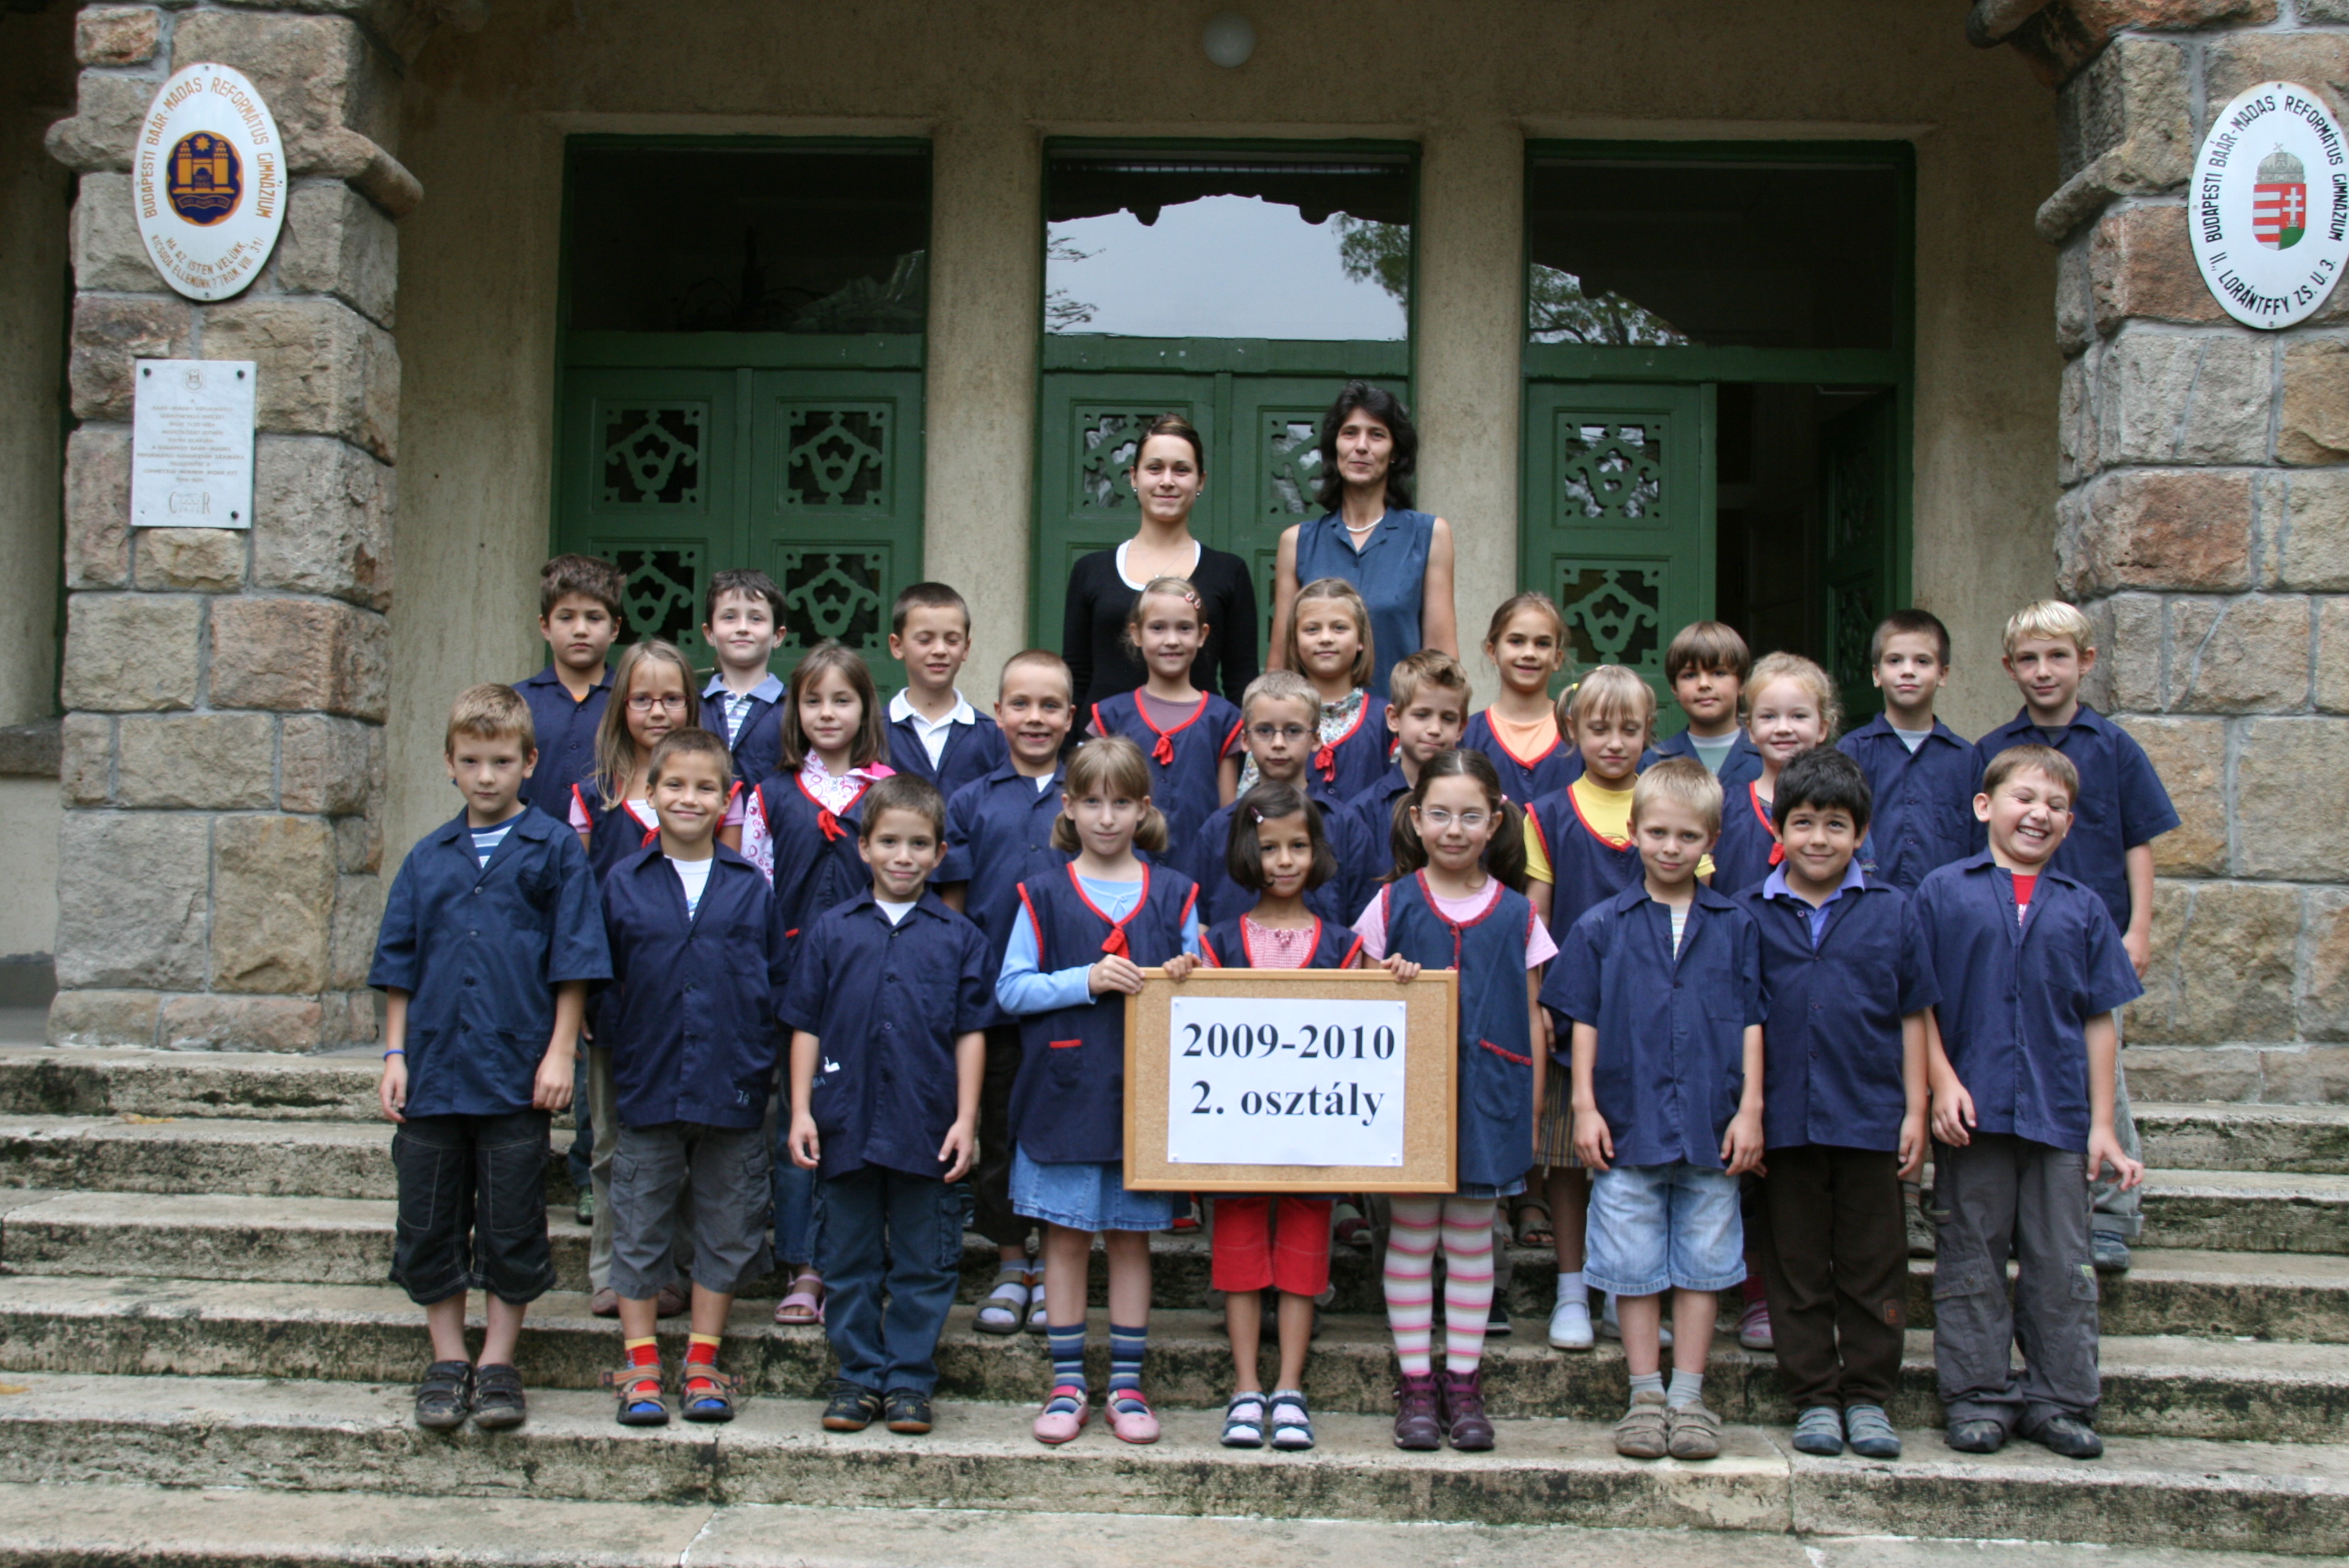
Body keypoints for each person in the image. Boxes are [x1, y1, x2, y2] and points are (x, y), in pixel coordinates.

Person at [371, 684, 608, 1431]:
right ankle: (448, 1358)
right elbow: (400, 964)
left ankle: (499, 1360)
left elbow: (574, 960)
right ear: (449, 763)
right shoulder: (426, 858)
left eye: (501, 761)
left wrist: (560, 1053)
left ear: (529, 762)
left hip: (513, 1073)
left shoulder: (555, 851)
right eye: (471, 761)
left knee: (511, 1222)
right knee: (429, 1218)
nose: (485, 776)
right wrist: (395, 1054)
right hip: (435, 1070)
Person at [1920, 744, 2145, 1460]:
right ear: (1985, 806)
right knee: (1971, 1255)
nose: (2038, 814)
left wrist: (2103, 1126)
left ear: (2070, 823)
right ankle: (1977, 1395)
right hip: (1974, 1113)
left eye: (2055, 806)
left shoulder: (2083, 908)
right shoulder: (1943, 892)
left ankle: (2061, 1399)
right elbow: (1918, 1001)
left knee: (2061, 1262)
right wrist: (1941, 1082)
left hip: (2058, 1116)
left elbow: (2099, 1018)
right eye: (2024, 798)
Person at [1547, 758, 1764, 1463]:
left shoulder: (1736, 925)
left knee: (1703, 1264)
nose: (1672, 848)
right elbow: (1582, 1021)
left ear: (1712, 842)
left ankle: (1688, 1397)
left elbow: (1752, 1021)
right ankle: (1644, 1395)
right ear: (1633, 832)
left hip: (1710, 1123)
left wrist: (1751, 1110)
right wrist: (1584, 1107)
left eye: (1688, 836)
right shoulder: (1600, 926)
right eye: (1659, 833)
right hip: (1628, 1121)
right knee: (1633, 1265)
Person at [996, 735, 1202, 1446]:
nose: (1106, 817)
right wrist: (1084, 980)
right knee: (1065, 1238)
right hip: (1063, 1092)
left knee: (1131, 1240)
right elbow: (1011, 988)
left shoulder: (1176, 893)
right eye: (1092, 802)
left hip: (1143, 1097)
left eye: (1120, 803)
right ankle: (1065, 1384)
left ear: (1143, 809)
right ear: (1068, 808)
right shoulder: (1042, 893)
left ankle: (1127, 1386)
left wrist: (1187, 972)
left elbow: (1204, 988)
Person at [1734, 747, 1934, 1462]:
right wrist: (1749, 1112)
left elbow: (1914, 1013)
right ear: (1778, 828)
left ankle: (1870, 1396)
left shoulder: (1893, 910)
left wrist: (1916, 1112)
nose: (1818, 839)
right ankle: (1815, 1396)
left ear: (1861, 833)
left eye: (1836, 825)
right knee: (1794, 1264)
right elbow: (1743, 1019)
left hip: (1870, 1115)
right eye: (1804, 822)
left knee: (1873, 1262)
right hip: (1785, 1120)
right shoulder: (1748, 914)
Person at [1969, 601, 2175, 1274]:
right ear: (2009, 668)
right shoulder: (1992, 751)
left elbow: (2138, 842)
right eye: (2028, 659)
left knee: (2101, 1071)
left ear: (2085, 661)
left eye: (2057, 656)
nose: (2043, 670)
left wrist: (2137, 929)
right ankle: (2019, 1212)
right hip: (2012, 938)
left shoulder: (2113, 747)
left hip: (2092, 939)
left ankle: (2111, 1214)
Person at [1351, 750, 1549, 1452]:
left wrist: (1530, 1110)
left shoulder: (1520, 913)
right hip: (1408, 1100)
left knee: (1471, 1238)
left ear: (1495, 822)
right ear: (1416, 819)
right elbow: (1358, 1010)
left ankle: (1463, 1383)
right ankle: (1416, 1384)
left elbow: (1533, 1016)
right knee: (1410, 1236)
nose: (1455, 829)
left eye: (1471, 816)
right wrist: (1388, 978)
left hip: (1490, 1096)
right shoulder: (1390, 904)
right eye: (1440, 814)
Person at [784, 774, 992, 1437]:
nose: (904, 857)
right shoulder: (831, 930)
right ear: (864, 847)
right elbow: (805, 1024)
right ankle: (856, 1376)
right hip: (843, 1120)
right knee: (846, 1258)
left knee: (924, 1260)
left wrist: (966, 1119)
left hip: (925, 1124)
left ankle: (908, 1380)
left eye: (919, 844)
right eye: (890, 842)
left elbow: (970, 1032)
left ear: (939, 853)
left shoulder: (959, 937)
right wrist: (800, 1110)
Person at [596, 727, 791, 1427]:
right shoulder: (622, 882)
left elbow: (772, 980)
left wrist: (758, 1059)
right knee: (640, 1220)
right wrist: (622, 1046)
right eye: (674, 784)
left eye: (706, 787)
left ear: (727, 798)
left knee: (728, 1223)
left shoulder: (748, 887)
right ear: (649, 794)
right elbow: (603, 981)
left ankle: (703, 1362)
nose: (689, 798)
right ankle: (641, 1366)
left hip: (731, 1081)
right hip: (648, 1078)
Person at [1519, 665, 1708, 1350]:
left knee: (1638, 1159)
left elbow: (1699, 916)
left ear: (1650, 732)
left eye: (1630, 729)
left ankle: (1626, 1290)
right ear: (1572, 730)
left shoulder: (1672, 805)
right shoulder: (1547, 813)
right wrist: (1538, 1000)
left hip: (1658, 1017)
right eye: (1599, 728)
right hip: (1576, 1014)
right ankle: (1573, 1289)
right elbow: (1537, 922)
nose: (1614, 742)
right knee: (1572, 1160)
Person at [1196, 780, 1377, 1453]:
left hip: (1314, 1138)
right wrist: (1180, 977)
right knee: (1240, 1258)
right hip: (1237, 1139)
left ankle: (1291, 1387)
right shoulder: (1216, 944)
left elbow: (1370, 1034)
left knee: (1304, 1259)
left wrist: (1396, 979)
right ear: (1247, 853)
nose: (1284, 861)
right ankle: (1246, 1387)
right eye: (1270, 848)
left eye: (1298, 846)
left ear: (1317, 852)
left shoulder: (1345, 946)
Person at [731, 639, 897, 1329]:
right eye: (813, 701)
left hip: (875, 980)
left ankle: (858, 1260)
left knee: (867, 1116)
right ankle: (802, 1262)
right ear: (794, 710)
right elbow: (754, 891)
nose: (828, 713)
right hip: (794, 980)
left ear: (865, 708)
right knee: (796, 1123)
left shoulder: (888, 792)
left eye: (842, 700)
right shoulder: (769, 794)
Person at [939, 650, 1080, 1336]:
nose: (1035, 718)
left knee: (1058, 1134)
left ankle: (1056, 1265)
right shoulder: (970, 801)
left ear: (1071, 717)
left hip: (1071, 1001)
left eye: (1050, 705)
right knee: (997, 1133)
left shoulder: (1087, 798)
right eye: (1020, 704)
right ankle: (1010, 1260)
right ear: (997, 713)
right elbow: (954, 908)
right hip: (993, 1005)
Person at [571, 637, 699, 1319]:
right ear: (620, 704)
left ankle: (673, 1268)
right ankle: (613, 1269)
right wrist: (582, 994)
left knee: (683, 1139)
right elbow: (576, 905)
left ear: (691, 706)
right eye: (642, 698)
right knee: (613, 1139)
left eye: (671, 698)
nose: (657, 711)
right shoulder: (593, 796)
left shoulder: (711, 791)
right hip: (617, 995)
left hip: (691, 998)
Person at [1270, 381, 1458, 696]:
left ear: (1395, 452)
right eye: (1350, 433)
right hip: (1315, 723)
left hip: (1399, 720)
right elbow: (1281, 665)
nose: (1361, 446)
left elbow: (1441, 660)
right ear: (1334, 447)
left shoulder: (1429, 536)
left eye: (1377, 435)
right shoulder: (1297, 542)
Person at [1062, 414, 1260, 711]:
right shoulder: (1091, 571)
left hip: (1199, 736)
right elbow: (1075, 677)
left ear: (1200, 480)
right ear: (1134, 476)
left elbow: (1240, 679)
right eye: (1155, 468)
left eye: (1181, 470)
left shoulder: (1229, 572)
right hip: (1103, 737)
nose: (1167, 481)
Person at [1086, 576, 1243, 857]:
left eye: (1184, 628)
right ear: (1137, 634)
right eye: (1158, 628)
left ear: (1202, 634)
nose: (1172, 640)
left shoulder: (1222, 719)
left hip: (1200, 868)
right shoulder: (1111, 717)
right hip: (1124, 869)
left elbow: (1227, 816)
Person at [1190, 671, 1349, 928]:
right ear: (1245, 739)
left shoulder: (1345, 826)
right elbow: (1200, 925)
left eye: (1293, 731)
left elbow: (1360, 926)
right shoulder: (1218, 829)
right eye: (1264, 730)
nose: (1278, 743)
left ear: (1316, 739)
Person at [1327, 649, 1473, 926]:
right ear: (1394, 718)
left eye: (1448, 718)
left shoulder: (1474, 808)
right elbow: (1352, 903)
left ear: (1462, 727)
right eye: (1422, 715)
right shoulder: (1362, 812)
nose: (1434, 729)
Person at [1838, 608, 1975, 893]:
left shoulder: (1967, 759)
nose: (1908, 670)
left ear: (1943, 674)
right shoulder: (1851, 752)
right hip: (1867, 903)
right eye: (1895, 660)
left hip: (1947, 906)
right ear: (1876, 674)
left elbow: (1980, 842)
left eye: (1922, 661)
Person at [1712, 652, 1841, 897]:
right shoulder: (1724, 807)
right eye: (1769, 716)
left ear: (1822, 727)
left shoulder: (1843, 805)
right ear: (1750, 730)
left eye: (1798, 716)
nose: (1783, 728)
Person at [1250, 577, 1388, 806]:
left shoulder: (1386, 720)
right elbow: (1250, 800)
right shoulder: (1270, 717)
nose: (1325, 639)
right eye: (1312, 629)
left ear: (1360, 639)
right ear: (1294, 641)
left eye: (1339, 628)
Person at [515, 553, 624, 821]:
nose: (580, 630)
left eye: (594, 618)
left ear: (615, 628)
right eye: (566, 617)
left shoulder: (633, 702)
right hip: (531, 843)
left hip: (611, 844)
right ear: (545, 626)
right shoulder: (515, 703)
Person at [885, 581, 1008, 804]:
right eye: (925, 640)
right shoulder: (872, 732)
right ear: (897, 645)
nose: (940, 650)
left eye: (952, 640)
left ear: (966, 648)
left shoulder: (993, 736)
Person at [1462, 592, 1577, 805]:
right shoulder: (1468, 736)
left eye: (1542, 644)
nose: (1529, 653)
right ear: (1492, 651)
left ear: (1557, 658)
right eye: (1516, 641)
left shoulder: (1579, 732)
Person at [698, 568, 789, 792]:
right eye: (729, 617)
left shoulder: (794, 708)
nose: (742, 628)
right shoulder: (692, 706)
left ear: (777, 636)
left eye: (756, 618)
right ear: (709, 633)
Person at [1649, 621, 1763, 786]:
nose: (1704, 684)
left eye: (1718, 673)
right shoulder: (1654, 761)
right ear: (1674, 688)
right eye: (1690, 675)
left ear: (1741, 683)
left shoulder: (1768, 757)